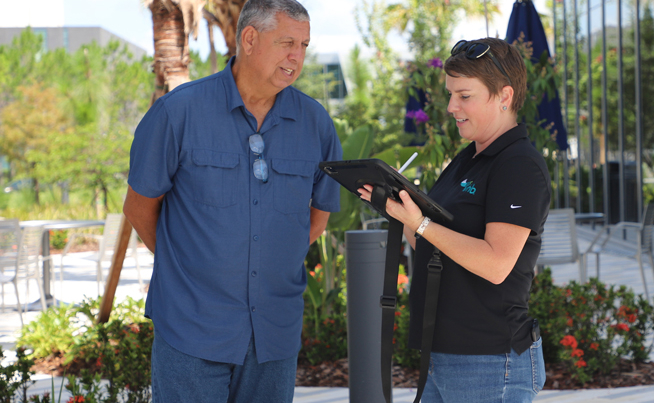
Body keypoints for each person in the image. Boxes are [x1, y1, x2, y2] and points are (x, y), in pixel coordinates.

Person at [122, 0, 341, 401]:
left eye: (304, 45)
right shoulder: (179, 113)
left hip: (274, 333)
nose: (297, 56)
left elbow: (316, 219)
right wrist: (189, 268)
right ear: (250, 39)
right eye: (287, 42)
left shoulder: (316, 124)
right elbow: (139, 207)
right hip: (191, 327)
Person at [359, 38, 550, 402]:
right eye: (450, 95)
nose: (451, 107)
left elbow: (496, 264)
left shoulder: (518, 165)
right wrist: (400, 215)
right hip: (444, 355)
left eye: (464, 96)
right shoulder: (469, 159)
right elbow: (435, 247)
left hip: (490, 359)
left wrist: (422, 225)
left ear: (504, 96)